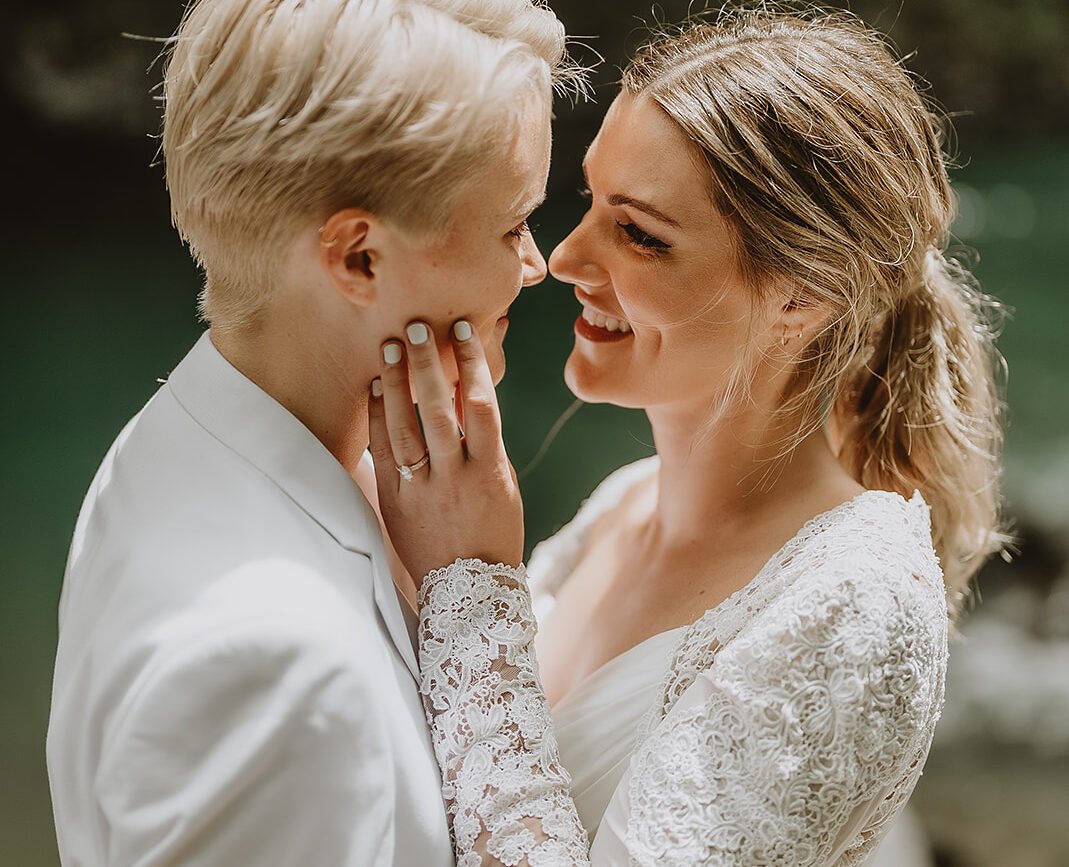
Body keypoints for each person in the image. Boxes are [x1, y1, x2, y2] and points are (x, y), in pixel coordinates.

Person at [367, 7, 1008, 865]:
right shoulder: (624, 502)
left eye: (638, 233)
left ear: (799, 300)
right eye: (588, 200)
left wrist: (469, 581)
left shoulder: (856, 601)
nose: (563, 257)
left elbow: (482, 680)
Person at [46, 0, 580, 863]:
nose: (536, 263)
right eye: (513, 223)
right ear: (358, 257)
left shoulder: (181, 433)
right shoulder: (274, 666)